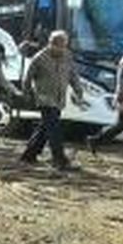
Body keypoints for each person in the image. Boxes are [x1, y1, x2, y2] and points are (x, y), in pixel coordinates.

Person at [20, 30, 84, 171]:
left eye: (64, 45)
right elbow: (27, 78)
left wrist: (78, 90)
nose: (61, 48)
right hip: (45, 99)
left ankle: (28, 155)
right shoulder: (39, 58)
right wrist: (28, 94)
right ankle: (59, 160)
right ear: (51, 44)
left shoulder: (67, 56)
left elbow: (73, 75)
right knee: (54, 129)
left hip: (59, 98)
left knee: (44, 128)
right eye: (58, 45)